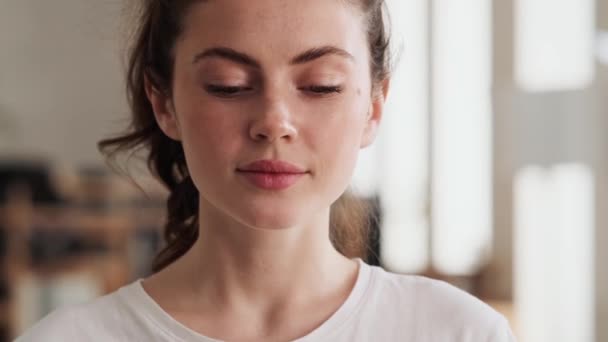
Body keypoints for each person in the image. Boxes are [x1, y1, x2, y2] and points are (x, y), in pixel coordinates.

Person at [17, 0, 516, 341]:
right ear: (163, 101)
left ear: (375, 106)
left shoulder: (457, 332)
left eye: (320, 86)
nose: (274, 123)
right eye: (228, 85)